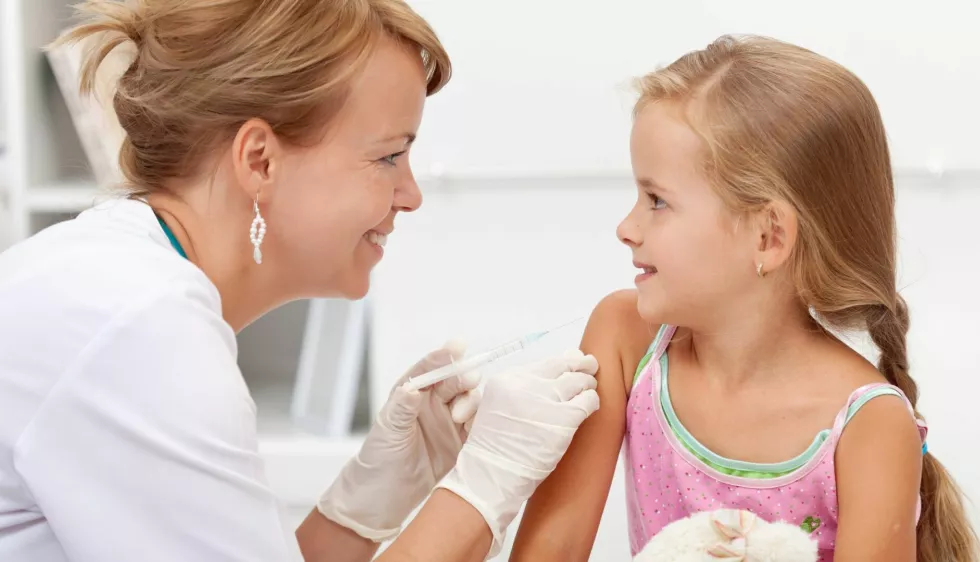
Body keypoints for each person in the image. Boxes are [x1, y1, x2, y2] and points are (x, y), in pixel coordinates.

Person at [0, 1, 601, 561]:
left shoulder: (122, 279)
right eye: (390, 156)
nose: (411, 195)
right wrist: (482, 486)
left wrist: (364, 506)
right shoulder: (140, 331)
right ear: (259, 160)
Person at [508, 35, 980, 562]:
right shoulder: (626, 340)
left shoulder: (867, 424)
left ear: (767, 237)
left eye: (657, 201)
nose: (626, 227)